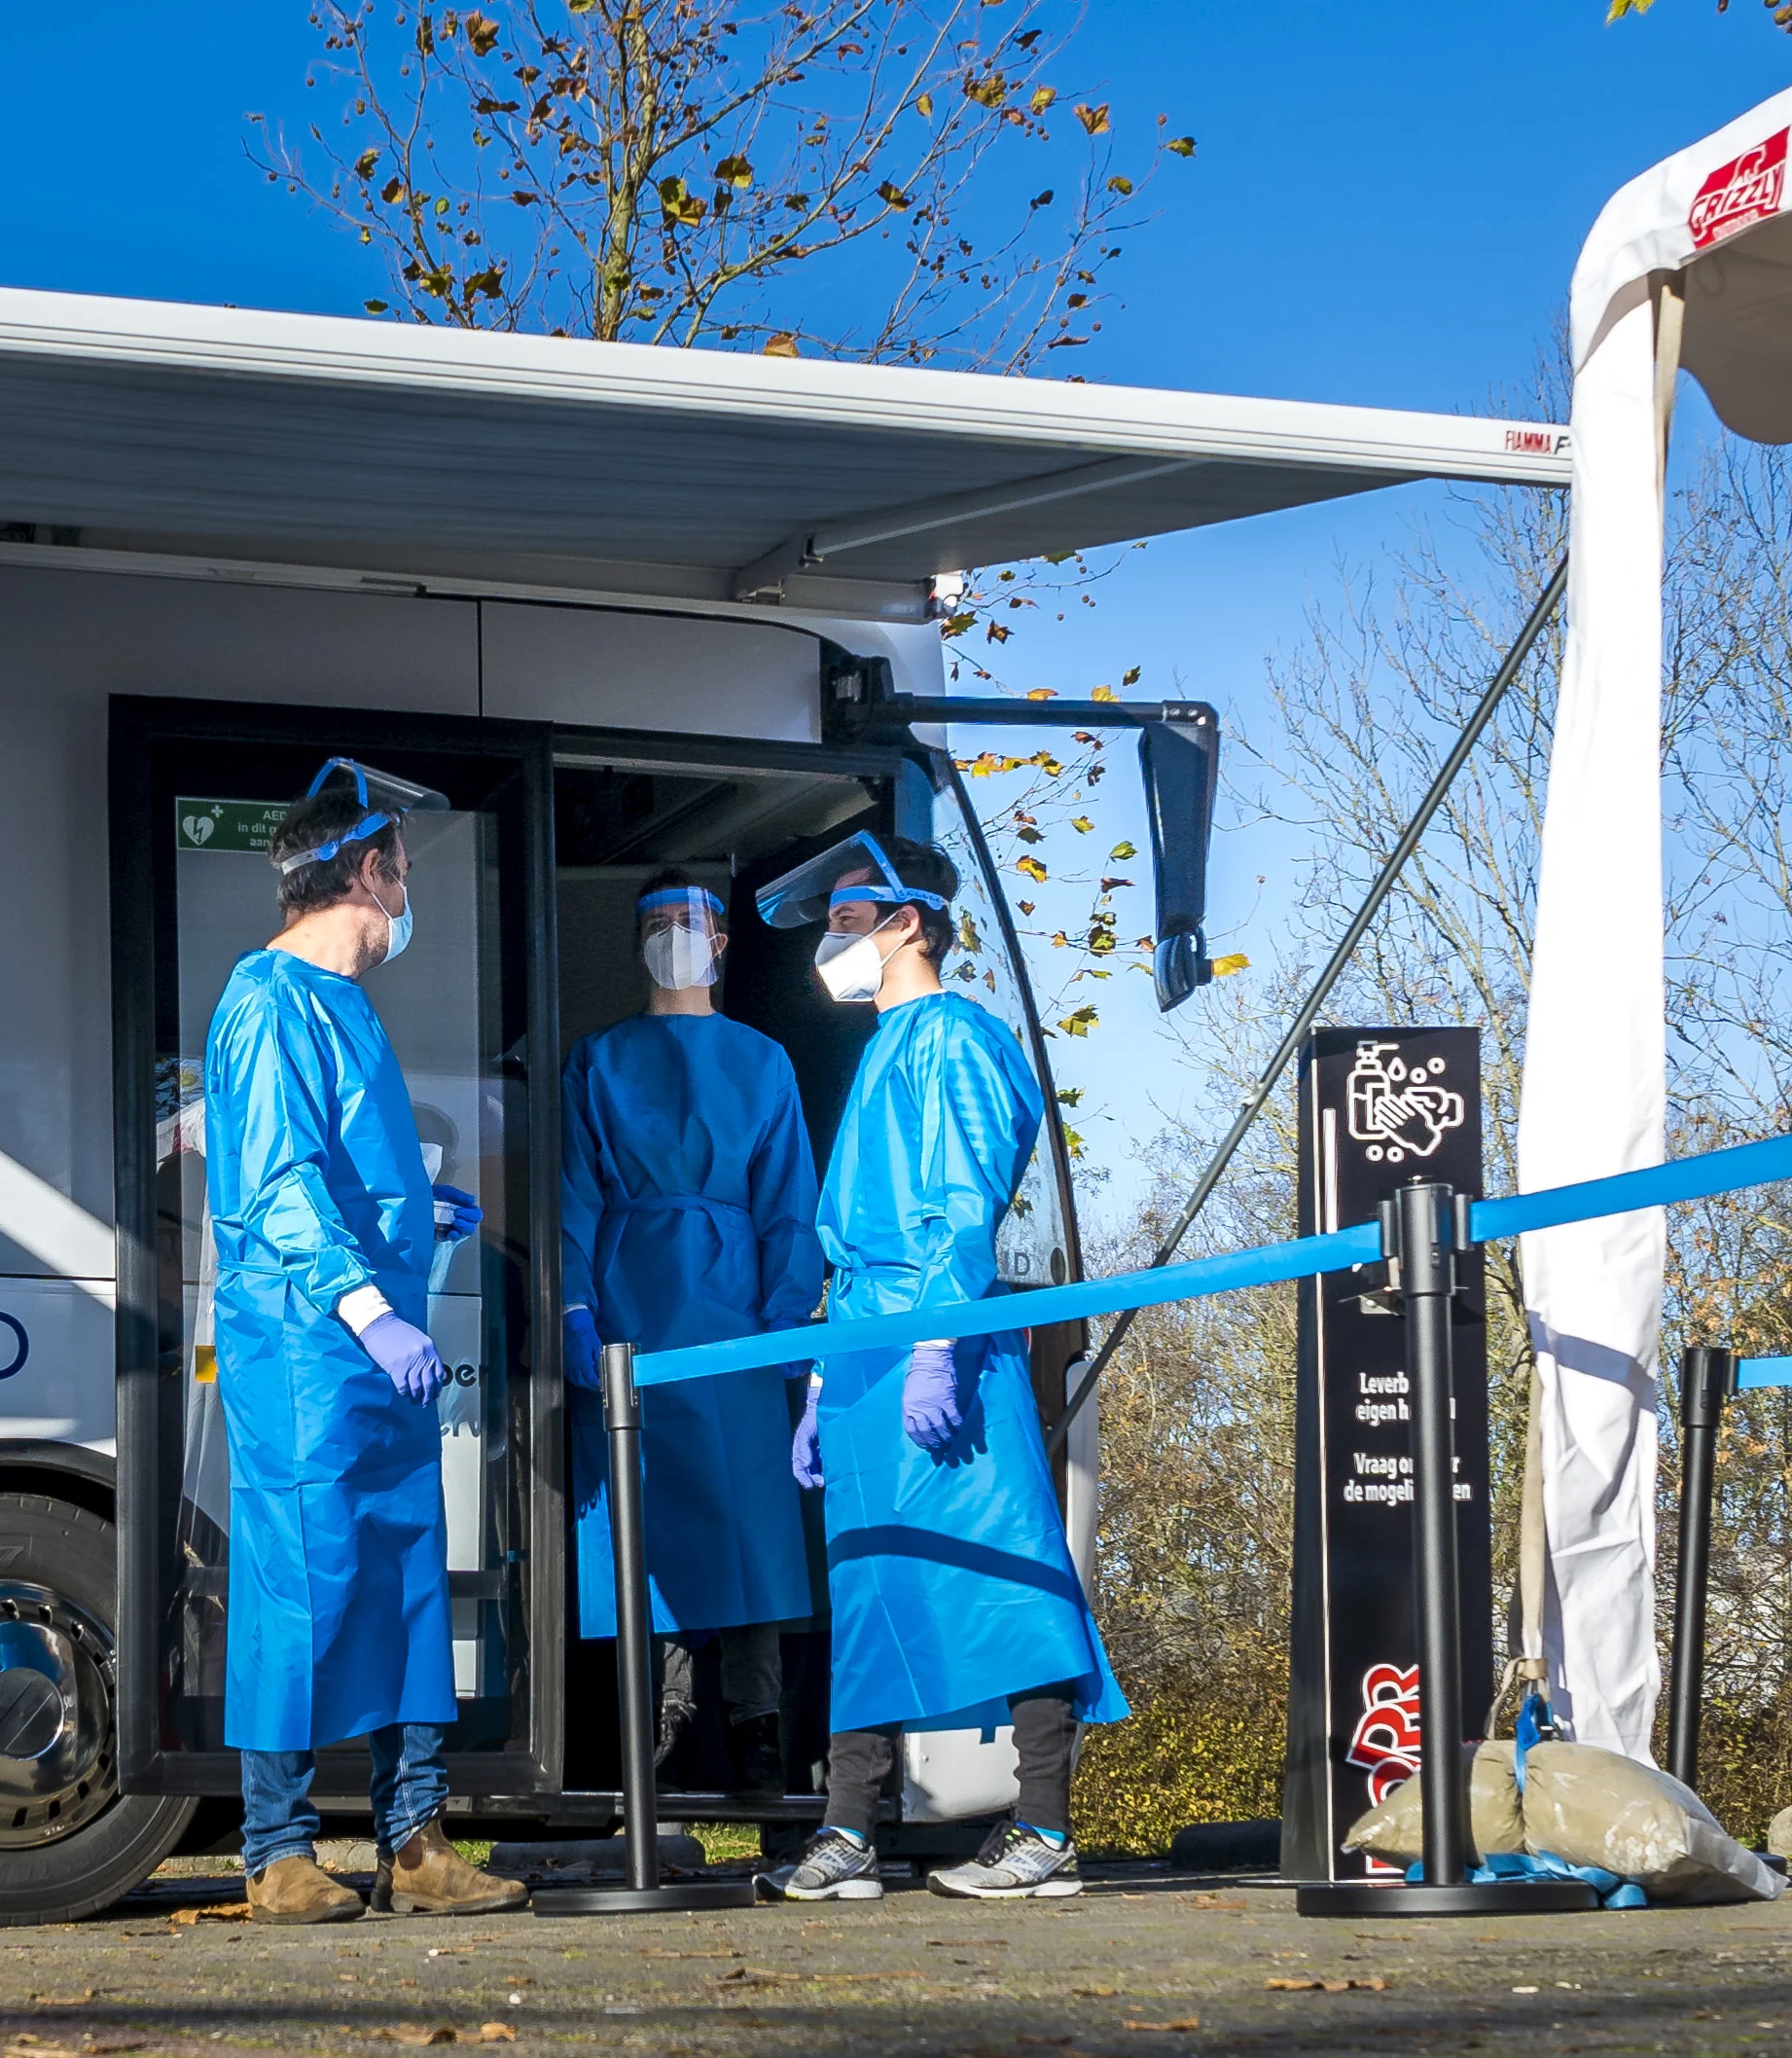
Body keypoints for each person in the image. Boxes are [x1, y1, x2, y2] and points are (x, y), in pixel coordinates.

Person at [745, 830, 1129, 1903]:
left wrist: (936, 1349)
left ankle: (1044, 1827)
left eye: (851, 917)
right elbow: (851, 1230)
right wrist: (823, 1384)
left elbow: (959, 1201)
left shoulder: (953, 1035)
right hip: (867, 1346)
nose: (834, 938)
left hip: (935, 1341)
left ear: (909, 920)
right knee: (873, 1588)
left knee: (1003, 1573)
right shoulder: (882, 1048)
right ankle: (849, 1832)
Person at [204, 757, 524, 1927]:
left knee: (400, 1576)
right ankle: (277, 1849)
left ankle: (415, 1842)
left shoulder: (345, 1007)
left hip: (368, 1341)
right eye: (400, 868)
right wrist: (366, 1303)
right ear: (365, 866)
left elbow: (343, 1166)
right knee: (303, 1578)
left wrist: (414, 1217)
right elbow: (277, 1183)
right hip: (305, 1345)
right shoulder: (266, 1000)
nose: (406, 891)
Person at [559, 871, 822, 1794]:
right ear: (639, 941)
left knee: (750, 1523)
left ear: (722, 943)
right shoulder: (598, 1062)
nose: (677, 935)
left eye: (692, 922)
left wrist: (787, 1323)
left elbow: (791, 1206)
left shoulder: (763, 1062)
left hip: (741, 1317)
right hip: (635, 1313)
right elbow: (575, 1197)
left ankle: (757, 1730)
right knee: (652, 1516)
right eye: (659, 922)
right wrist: (576, 1312)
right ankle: (666, 1723)